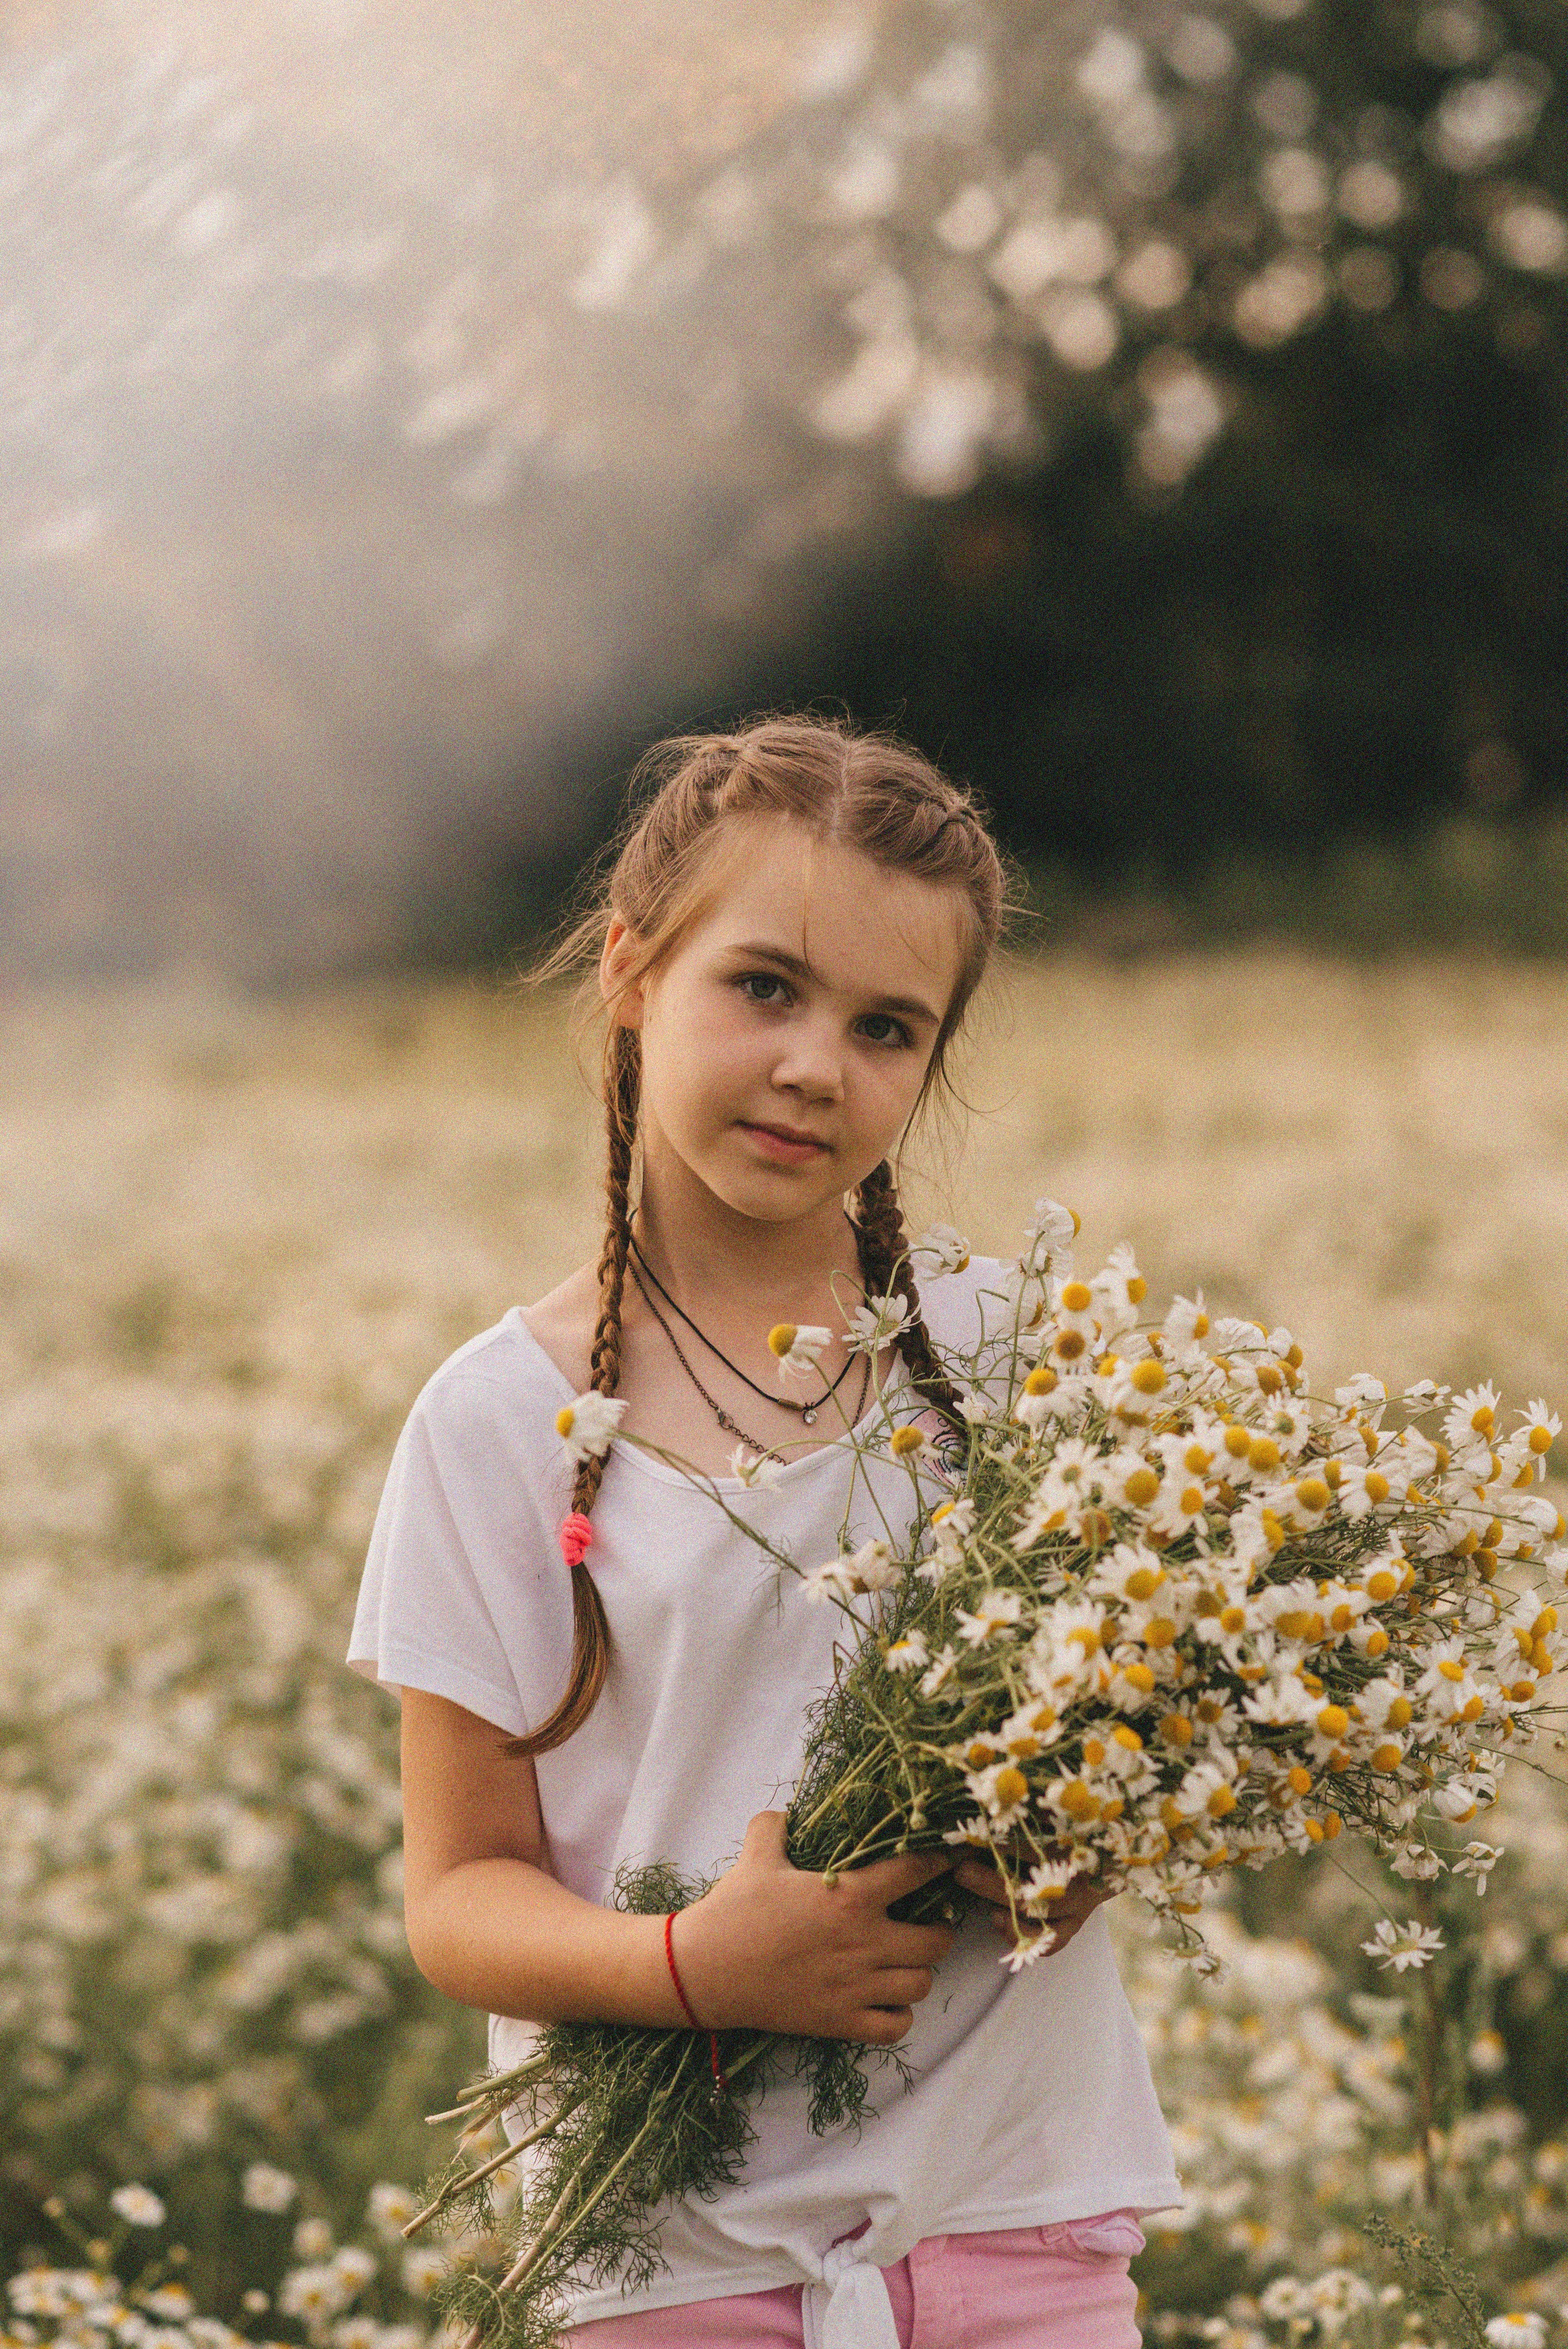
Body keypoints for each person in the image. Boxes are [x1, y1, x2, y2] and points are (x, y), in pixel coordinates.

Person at [347, 717, 1182, 2349]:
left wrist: (1076, 1848)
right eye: (765, 986)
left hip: (1016, 2211)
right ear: (632, 970)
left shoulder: (1012, 1355)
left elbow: (1128, 1734)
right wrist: (694, 1965)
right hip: (675, 2255)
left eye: (888, 1026)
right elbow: (458, 1894)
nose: (817, 1062)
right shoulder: (493, 1424)